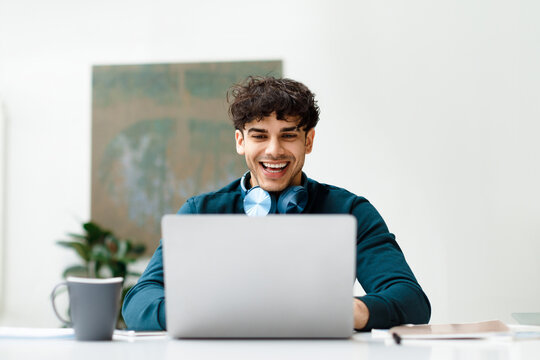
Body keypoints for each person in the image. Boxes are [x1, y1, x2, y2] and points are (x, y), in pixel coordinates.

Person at [122, 76, 431, 331]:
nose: (274, 150)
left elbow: (411, 301)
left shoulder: (350, 211)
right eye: (259, 136)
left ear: (308, 141)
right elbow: (138, 302)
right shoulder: (201, 212)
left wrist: (350, 311)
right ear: (240, 141)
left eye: (288, 135)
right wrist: (204, 311)